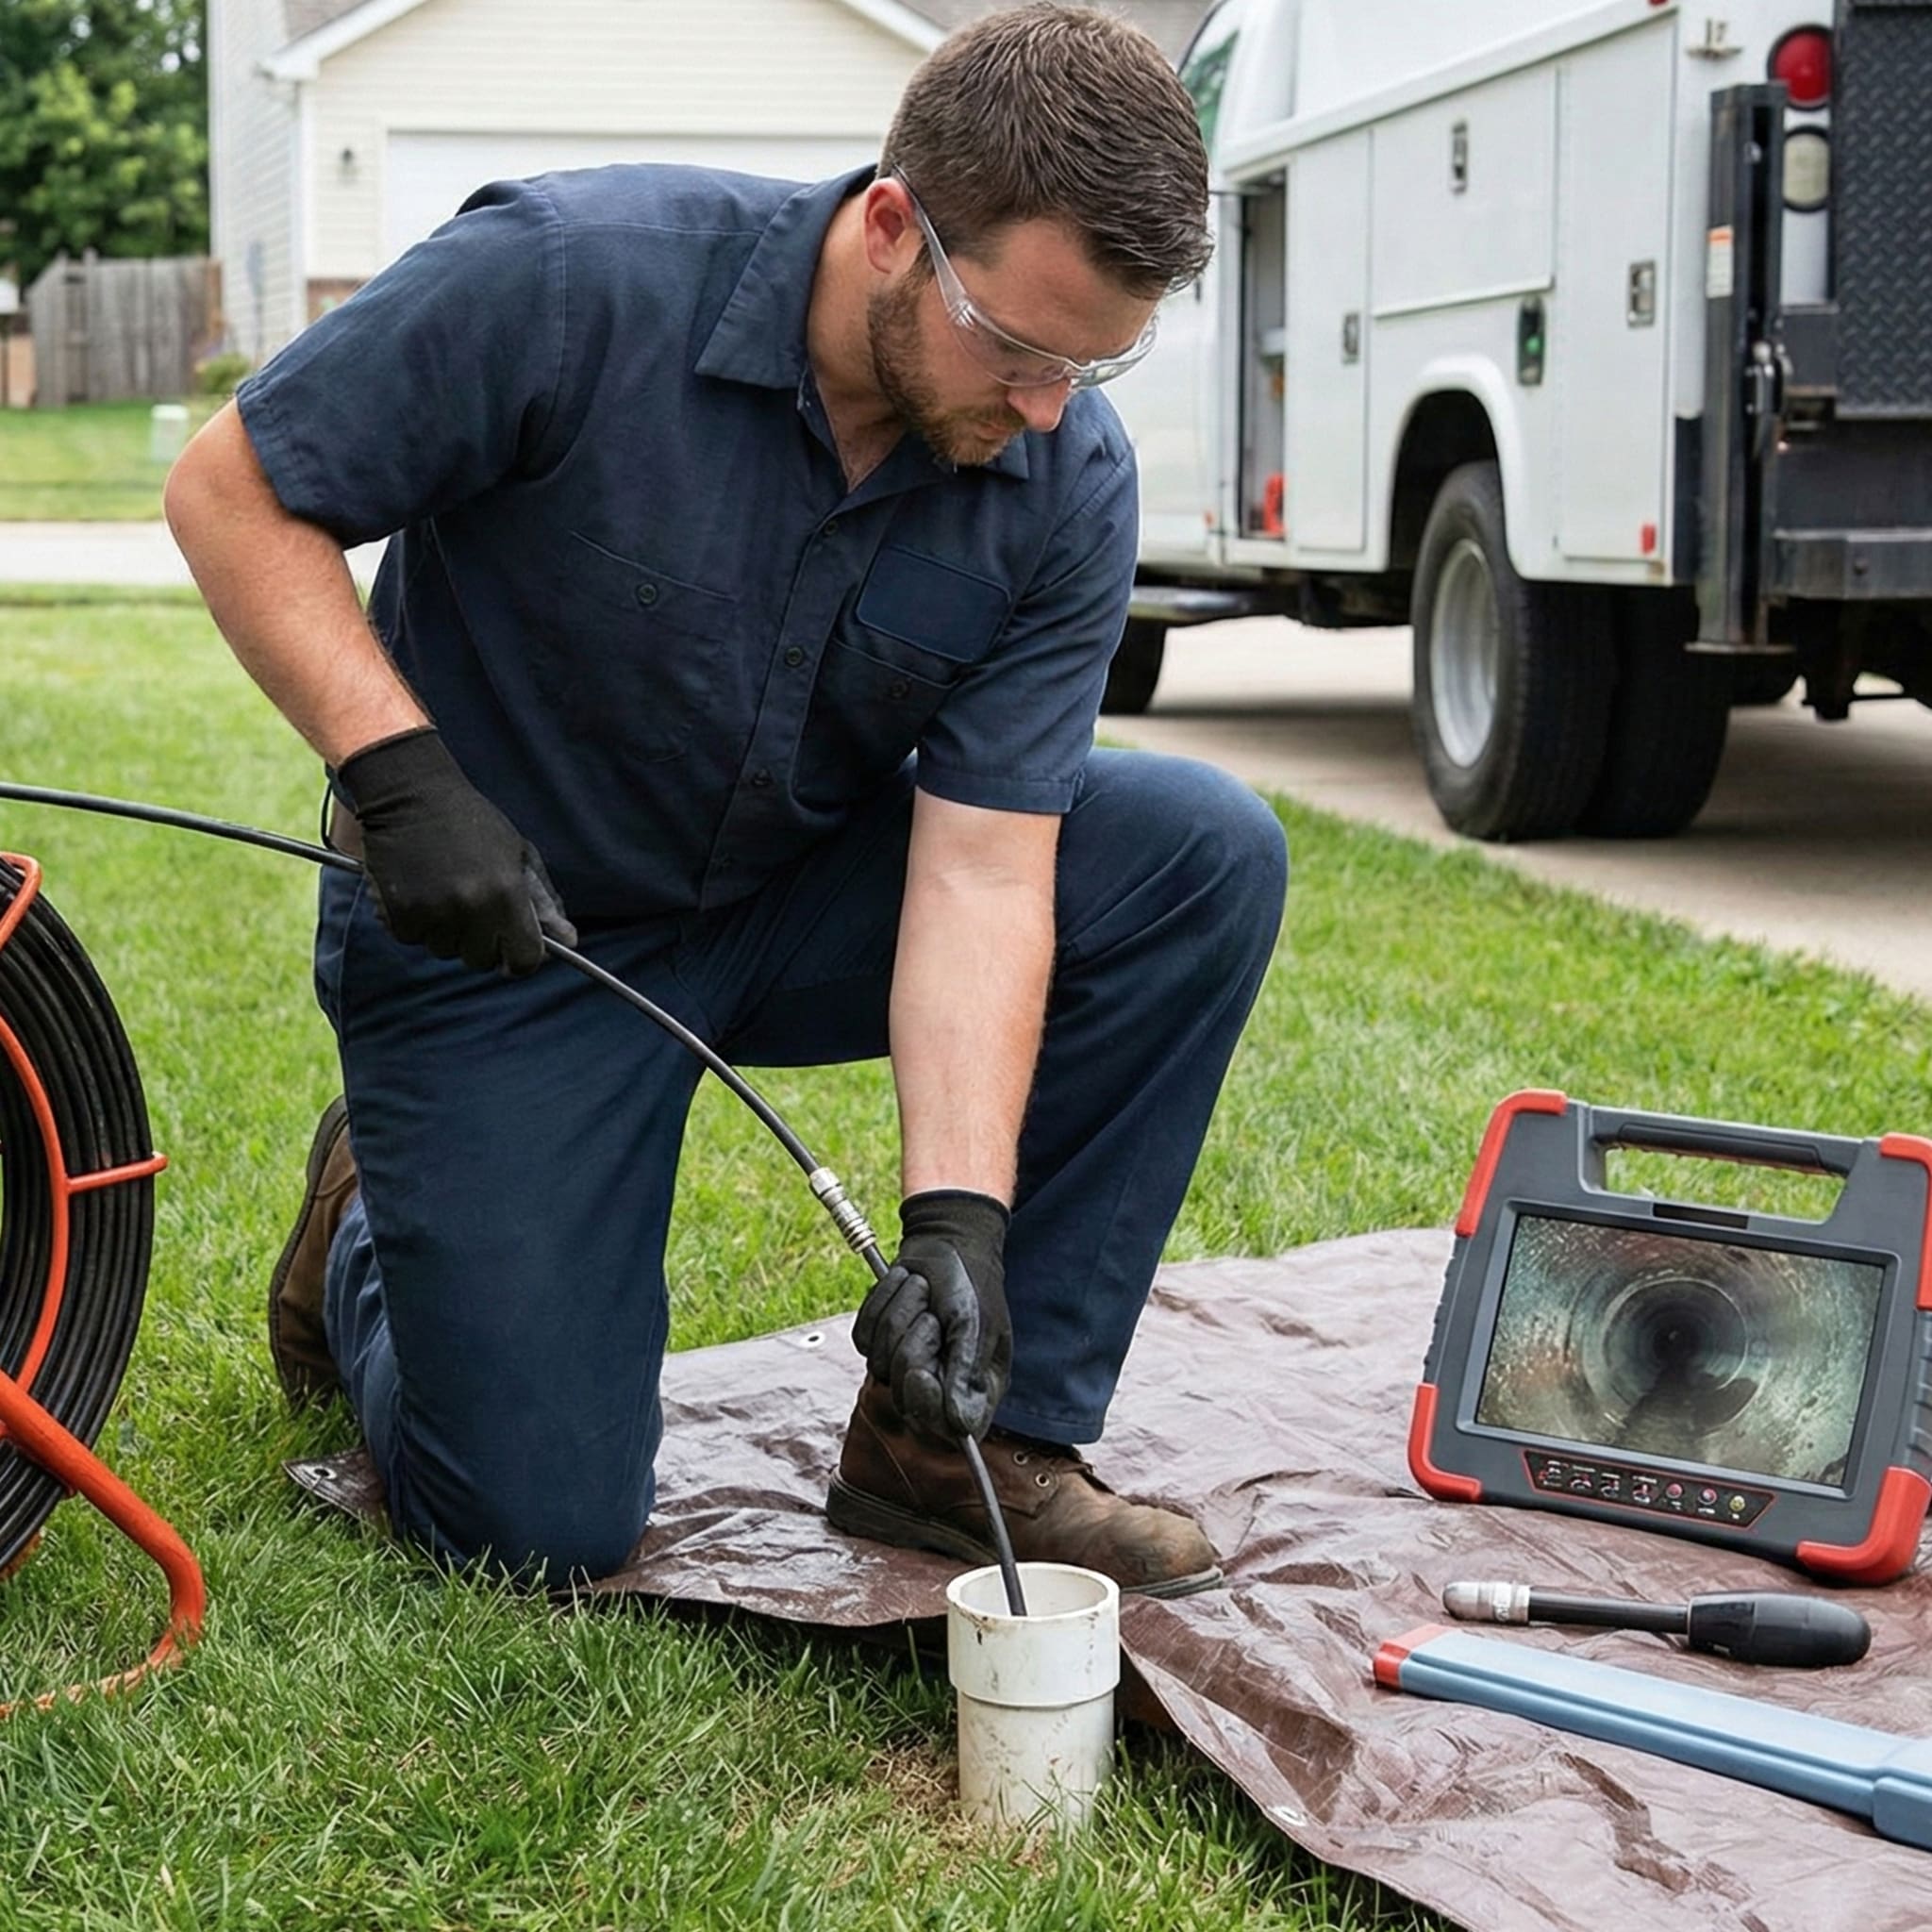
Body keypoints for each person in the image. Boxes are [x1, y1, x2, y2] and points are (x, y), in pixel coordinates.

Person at [164, 3, 1288, 1597]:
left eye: (1094, 362)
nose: (1051, 409)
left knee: (1196, 853)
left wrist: (959, 1218)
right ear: (896, 224)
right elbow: (235, 489)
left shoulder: (1062, 477)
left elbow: (979, 875)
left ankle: (961, 1452)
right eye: (1023, 347)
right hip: (506, 933)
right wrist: (400, 777)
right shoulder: (568, 281)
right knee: (536, 1531)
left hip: (787, 902)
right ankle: (364, 1226)